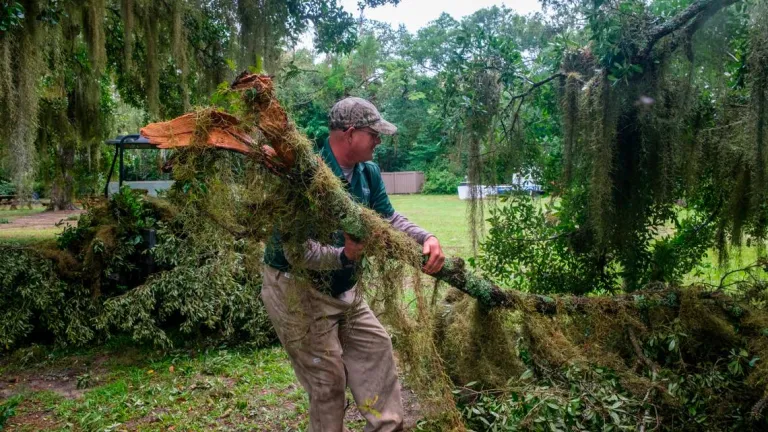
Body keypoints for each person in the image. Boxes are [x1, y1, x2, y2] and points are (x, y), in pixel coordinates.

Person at [261, 97, 445, 431]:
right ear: (349, 134)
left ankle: (387, 427)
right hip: (296, 289)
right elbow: (296, 253)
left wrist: (425, 237)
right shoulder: (302, 173)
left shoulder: (368, 171)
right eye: (374, 133)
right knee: (327, 380)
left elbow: (387, 217)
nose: (379, 139)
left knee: (376, 346)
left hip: (343, 286)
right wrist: (344, 256)